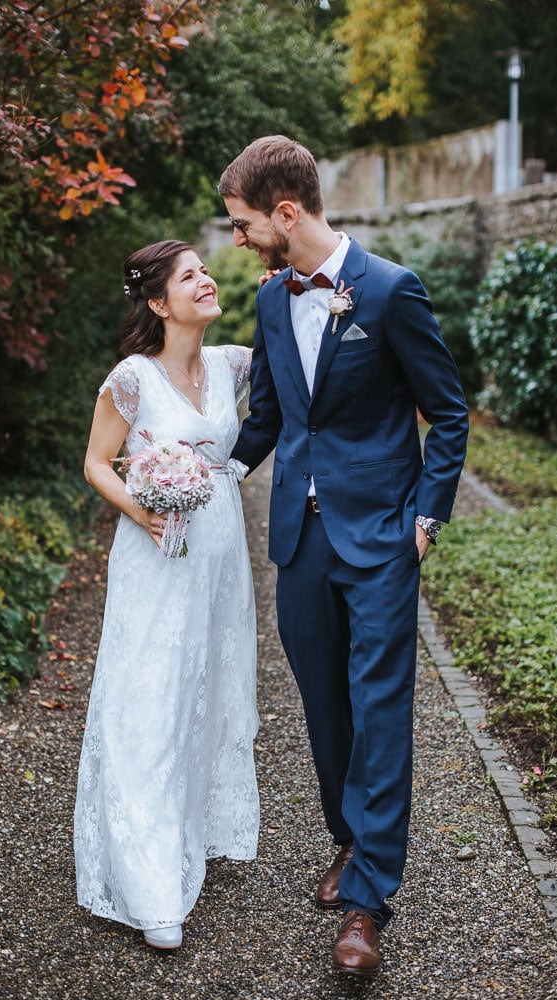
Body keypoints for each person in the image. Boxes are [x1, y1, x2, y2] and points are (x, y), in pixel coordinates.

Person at [218, 136, 469, 977]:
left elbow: (448, 412)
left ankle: (368, 899)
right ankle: (349, 840)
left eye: (246, 224)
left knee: (379, 708)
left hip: (382, 540)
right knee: (324, 708)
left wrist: (425, 521)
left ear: (287, 212)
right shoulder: (268, 301)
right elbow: (269, 423)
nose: (241, 239)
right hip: (300, 537)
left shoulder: (391, 293)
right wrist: (197, 472)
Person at [74, 240, 259, 951]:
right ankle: (150, 883)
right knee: (150, 697)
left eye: (206, 268)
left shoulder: (229, 364)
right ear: (158, 302)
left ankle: (200, 825)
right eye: (191, 275)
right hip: (157, 553)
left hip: (220, 555)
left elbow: (302, 348)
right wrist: (142, 509)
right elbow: (96, 463)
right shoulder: (130, 378)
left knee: (206, 689)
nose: (208, 280)